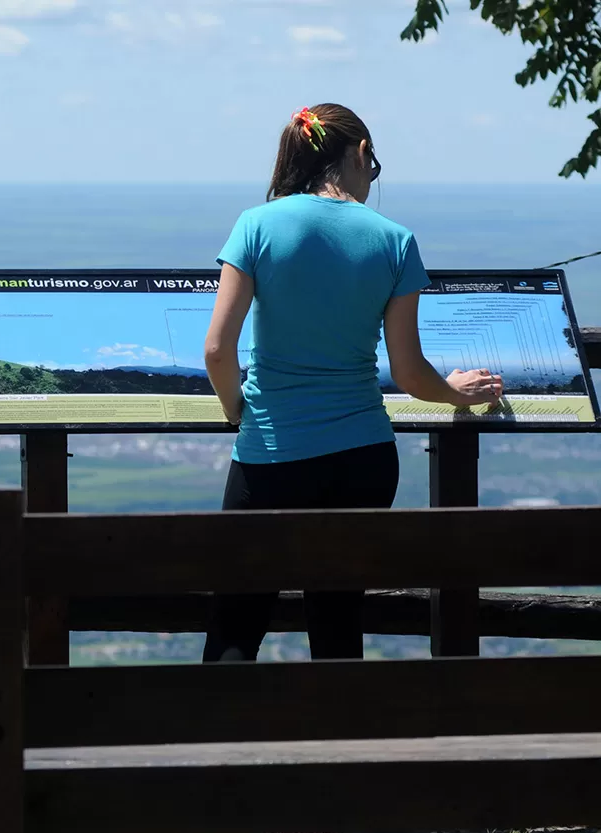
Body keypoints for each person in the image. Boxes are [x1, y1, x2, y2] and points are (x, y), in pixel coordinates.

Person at [200, 103, 503, 663]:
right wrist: (459, 391)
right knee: (338, 625)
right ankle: (343, 744)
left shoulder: (256, 225)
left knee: (237, 625)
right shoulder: (395, 240)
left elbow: (218, 350)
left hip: (271, 453)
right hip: (363, 457)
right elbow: (410, 373)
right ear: (361, 152)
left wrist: (236, 409)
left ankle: (218, 743)